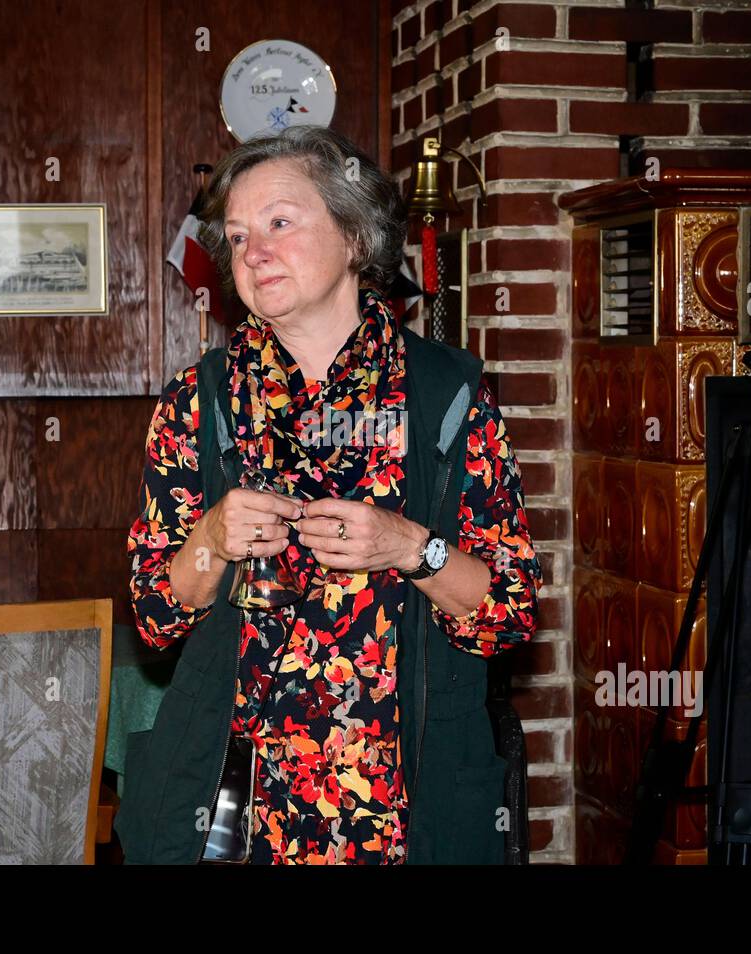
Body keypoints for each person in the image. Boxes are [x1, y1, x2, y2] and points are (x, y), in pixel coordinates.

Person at [117, 125, 542, 865]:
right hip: (236, 817)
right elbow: (154, 617)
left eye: (280, 222)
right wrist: (211, 537)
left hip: (410, 811)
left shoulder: (449, 397)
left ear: (354, 237)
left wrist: (408, 546)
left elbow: (508, 613)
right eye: (239, 234)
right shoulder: (199, 401)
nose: (252, 251)